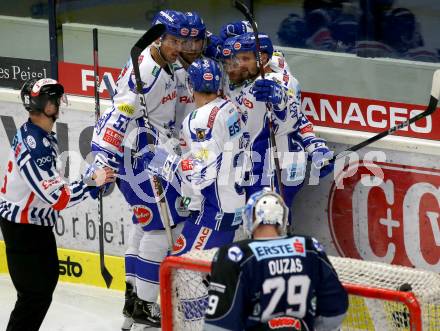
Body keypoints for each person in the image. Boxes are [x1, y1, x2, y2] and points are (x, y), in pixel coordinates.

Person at [90, 10, 190, 329]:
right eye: (173, 40)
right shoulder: (145, 71)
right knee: (159, 232)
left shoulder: (163, 62)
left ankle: (133, 304)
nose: (178, 47)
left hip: (152, 153)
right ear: (159, 38)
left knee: (144, 229)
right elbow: (117, 117)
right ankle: (146, 307)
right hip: (137, 160)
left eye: (181, 40)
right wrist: (102, 158)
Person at [0, 78, 115, 331]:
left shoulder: (38, 133)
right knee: (34, 295)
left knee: (44, 287)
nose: (58, 104)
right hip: (23, 227)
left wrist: (90, 185)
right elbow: (58, 198)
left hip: (33, 224)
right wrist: (91, 184)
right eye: (54, 99)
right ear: (44, 104)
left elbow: (53, 189)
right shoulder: (35, 146)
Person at [222, 32, 334, 220]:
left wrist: (279, 98)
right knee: (262, 222)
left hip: (277, 166)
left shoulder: (276, 82)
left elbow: (289, 111)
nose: (238, 64)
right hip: (257, 164)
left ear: (263, 58)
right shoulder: (247, 78)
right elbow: (300, 118)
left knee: (269, 223)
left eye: (245, 59)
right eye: (235, 59)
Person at [205, 189, 349, 331]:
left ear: (250, 218)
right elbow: (335, 311)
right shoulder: (309, 248)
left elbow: (218, 325)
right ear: (282, 218)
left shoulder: (236, 255)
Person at [170, 57, 246, 255]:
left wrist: (167, 163)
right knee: (211, 275)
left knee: (181, 270)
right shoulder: (228, 107)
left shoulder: (198, 119)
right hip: (231, 205)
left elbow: (203, 173)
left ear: (190, 84)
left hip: (213, 211)